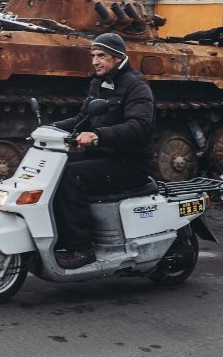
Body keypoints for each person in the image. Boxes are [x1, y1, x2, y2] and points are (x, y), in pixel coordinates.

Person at [50, 32, 155, 269]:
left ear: (117, 58)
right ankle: (61, 237)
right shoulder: (98, 83)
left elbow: (139, 126)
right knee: (55, 170)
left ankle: (82, 248)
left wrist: (98, 135)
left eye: (101, 56)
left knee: (69, 177)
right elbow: (83, 118)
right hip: (103, 157)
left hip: (128, 163)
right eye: (93, 56)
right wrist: (49, 128)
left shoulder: (136, 85)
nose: (95, 61)